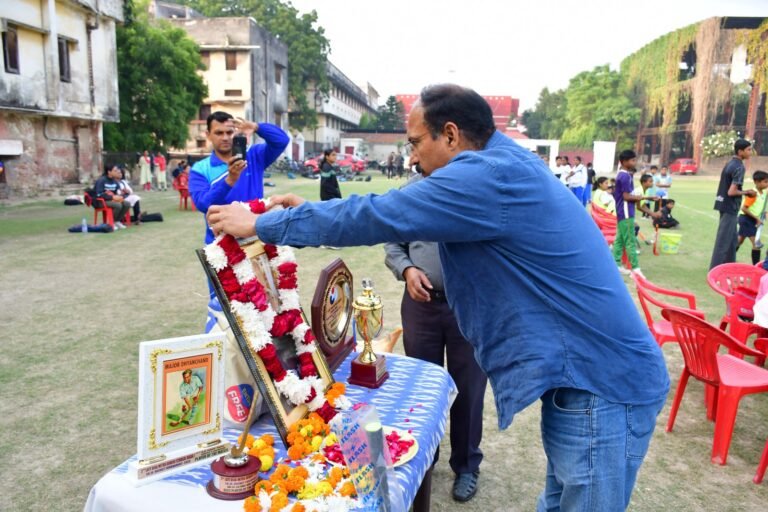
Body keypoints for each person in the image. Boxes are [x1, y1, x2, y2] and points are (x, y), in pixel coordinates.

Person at [207, 84, 669, 511]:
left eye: (414, 142)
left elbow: (379, 215)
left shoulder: (488, 176)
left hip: (603, 386)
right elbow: (385, 209)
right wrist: (310, 211)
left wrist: (263, 224)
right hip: (589, 380)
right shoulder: (502, 163)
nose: (411, 157)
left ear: (450, 135)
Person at [384, 172, 487, 503]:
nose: (415, 156)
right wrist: (407, 269)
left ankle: (467, 465)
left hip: (468, 306)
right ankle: (424, 458)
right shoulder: (412, 192)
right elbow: (393, 242)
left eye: (418, 147)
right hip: (421, 307)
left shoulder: (478, 188)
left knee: (468, 387)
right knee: (421, 387)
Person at [189, 110, 289, 247]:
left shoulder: (253, 155)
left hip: (255, 237)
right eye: (219, 133)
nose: (225, 137)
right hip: (222, 244)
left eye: (229, 132)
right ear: (208, 135)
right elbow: (203, 204)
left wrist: (256, 127)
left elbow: (282, 141)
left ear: (235, 132)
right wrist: (229, 180)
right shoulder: (200, 169)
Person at [710, 139, 756, 270]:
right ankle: (714, 271)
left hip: (723, 204)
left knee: (732, 241)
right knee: (723, 241)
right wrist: (747, 192)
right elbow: (732, 192)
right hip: (730, 207)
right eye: (748, 150)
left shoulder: (730, 163)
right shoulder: (739, 167)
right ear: (740, 151)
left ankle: (729, 267)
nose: (750, 152)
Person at [613, 152, 660, 277]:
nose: (635, 163)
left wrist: (646, 197)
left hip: (622, 211)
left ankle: (616, 265)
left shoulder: (623, 175)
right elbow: (626, 196)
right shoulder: (625, 176)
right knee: (630, 241)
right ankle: (635, 269)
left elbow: (628, 196)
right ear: (624, 161)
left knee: (620, 240)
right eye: (632, 160)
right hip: (626, 212)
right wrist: (641, 197)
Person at [737, 170, 768, 265]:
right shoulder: (753, 194)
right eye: (765, 182)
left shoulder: (764, 193)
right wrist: (757, 219)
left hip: (752, 220)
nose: (767, 184)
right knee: (756, 244)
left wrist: (764, 214)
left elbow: (761, 207)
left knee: (740, 240)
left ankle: (727, 257)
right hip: (746, 219)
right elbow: (744, 208)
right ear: (757, 182)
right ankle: (756, 267)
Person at [94, 165, 131, 229]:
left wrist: (124, 193)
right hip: (101, 201)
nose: (117, 172)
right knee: (118, 205)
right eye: (115, 171)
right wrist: (112, 197)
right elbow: (99, 194)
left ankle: (117, 221)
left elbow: (118, 192)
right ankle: (111, 222)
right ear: (109, 172)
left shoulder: (114, 181)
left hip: (112, 200)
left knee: (127, 204)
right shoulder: (101, 180)